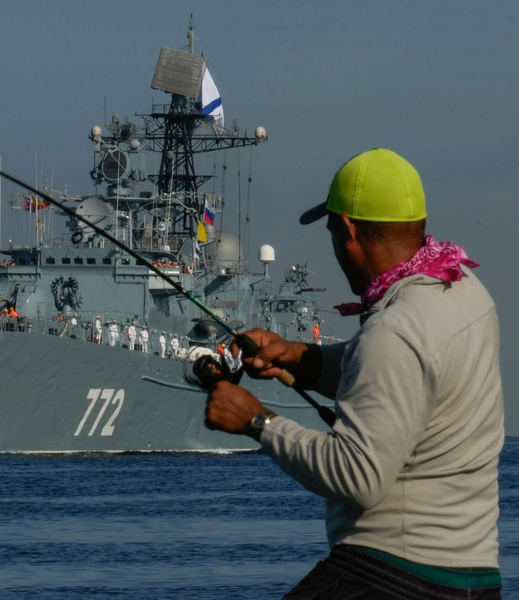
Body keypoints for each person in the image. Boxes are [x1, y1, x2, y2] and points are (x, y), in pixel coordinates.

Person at [205, 148, 503, 599]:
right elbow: (404, 373)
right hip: (473, 579)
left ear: (347, 230)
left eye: (331, 231)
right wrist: (300, 358)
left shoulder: (394, 331)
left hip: (391, 575)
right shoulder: (464, 289)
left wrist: (256, 421)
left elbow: (357, 476)